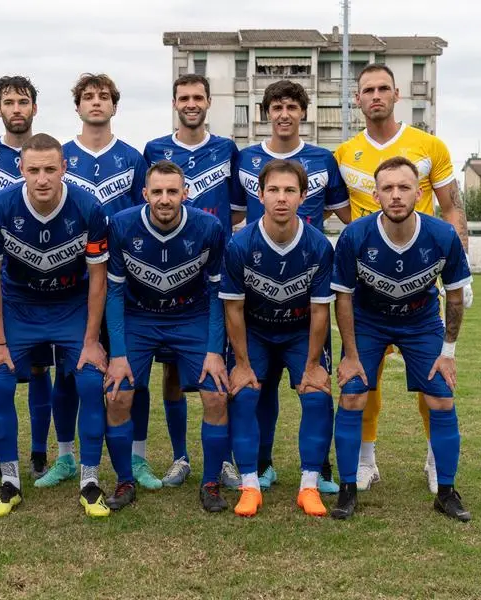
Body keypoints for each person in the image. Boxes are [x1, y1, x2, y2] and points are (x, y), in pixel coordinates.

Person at [333, 63, 472, 494]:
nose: (375, 96)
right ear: (357, 99)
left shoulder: (429, 145)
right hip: (367, 285)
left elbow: (451, 207)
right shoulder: (343, 153)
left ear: (396, 95)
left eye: (382, 89)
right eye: (367, 90)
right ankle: (365, 461)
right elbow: (339, 210)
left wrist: (459, 269)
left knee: (433, 379)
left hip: (418, 281)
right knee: (362, 382)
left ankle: (435, 459)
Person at [0, 133, 111, 518]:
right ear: (20, 170)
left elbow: (98, 278)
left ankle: (89, 480)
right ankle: (10, 481)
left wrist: (91, 340)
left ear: (64, 168)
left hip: (71, 304)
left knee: (88, 378)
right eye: (33, 170)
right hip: (20, 305)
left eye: (50, 169)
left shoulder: (88, 207)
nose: (42, 178)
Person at [34, 73, 151, 491]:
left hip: (123, 279)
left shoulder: (133, 158)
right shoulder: (59, 156)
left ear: (114, 106)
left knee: (131, 370)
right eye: (88, 97)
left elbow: (145, 216)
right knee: (69, 373)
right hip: (70, 285)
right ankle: (66, 456)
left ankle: (136, 459)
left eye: (104, 97)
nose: (96, 103)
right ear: (78, 106)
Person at [232, 80, 348, 494]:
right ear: (266, 113)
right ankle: (259, 465)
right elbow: (234, 217)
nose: (284, 114)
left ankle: (320, 467)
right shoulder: (244, 158)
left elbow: (347, 214)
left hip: (306, 277)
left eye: (292, 107)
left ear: (304, 113)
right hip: (260, 283)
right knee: (257, 391)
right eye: (277, 107)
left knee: (315, 386)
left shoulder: (323, 159)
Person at [103, 160, 230, 512]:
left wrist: (215, 350)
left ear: (185, 194)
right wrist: (117, 354)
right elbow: (113, 293)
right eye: (157, 191)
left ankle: (210, 483)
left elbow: (219, 292)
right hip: (139, 316)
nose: (164, 199)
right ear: (144, 194)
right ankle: (125, 480)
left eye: (172, 191)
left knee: (217, 394)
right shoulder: (123, 225)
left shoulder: (209, 227)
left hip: (191, 316)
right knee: (117, 394)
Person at [142, 73, 242, 489]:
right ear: (174, 103)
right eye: (183, 97)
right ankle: (181, 456)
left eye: (198, 97)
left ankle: (225, 460)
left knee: (221, 368)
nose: (191, 103)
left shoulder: (227, 149)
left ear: (208, 102)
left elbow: (236, 209)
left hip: (212, 269)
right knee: (170, 373)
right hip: (168, 275)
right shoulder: (154, 150)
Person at [221, 159, 336, 518]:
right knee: (244, 395)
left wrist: (314, 365)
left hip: (301, 331)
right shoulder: (240, 245)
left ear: (303, 196)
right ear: (260, 194)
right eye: (273, 190)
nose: (281, 198)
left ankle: (309, 485)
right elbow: (234, 310)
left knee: (317, 397)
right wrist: (240, 364)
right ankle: (251, 485)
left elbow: (320, 312)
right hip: (255, 329)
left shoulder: (318, 246)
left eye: (289, 191)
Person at [0, 75, 54, 483]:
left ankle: (38, 452)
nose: (16, 108)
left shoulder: (52, 153)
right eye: (9, 102)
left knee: (40, 369)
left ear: (35, 107)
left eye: (23, 101)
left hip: (44, 279)